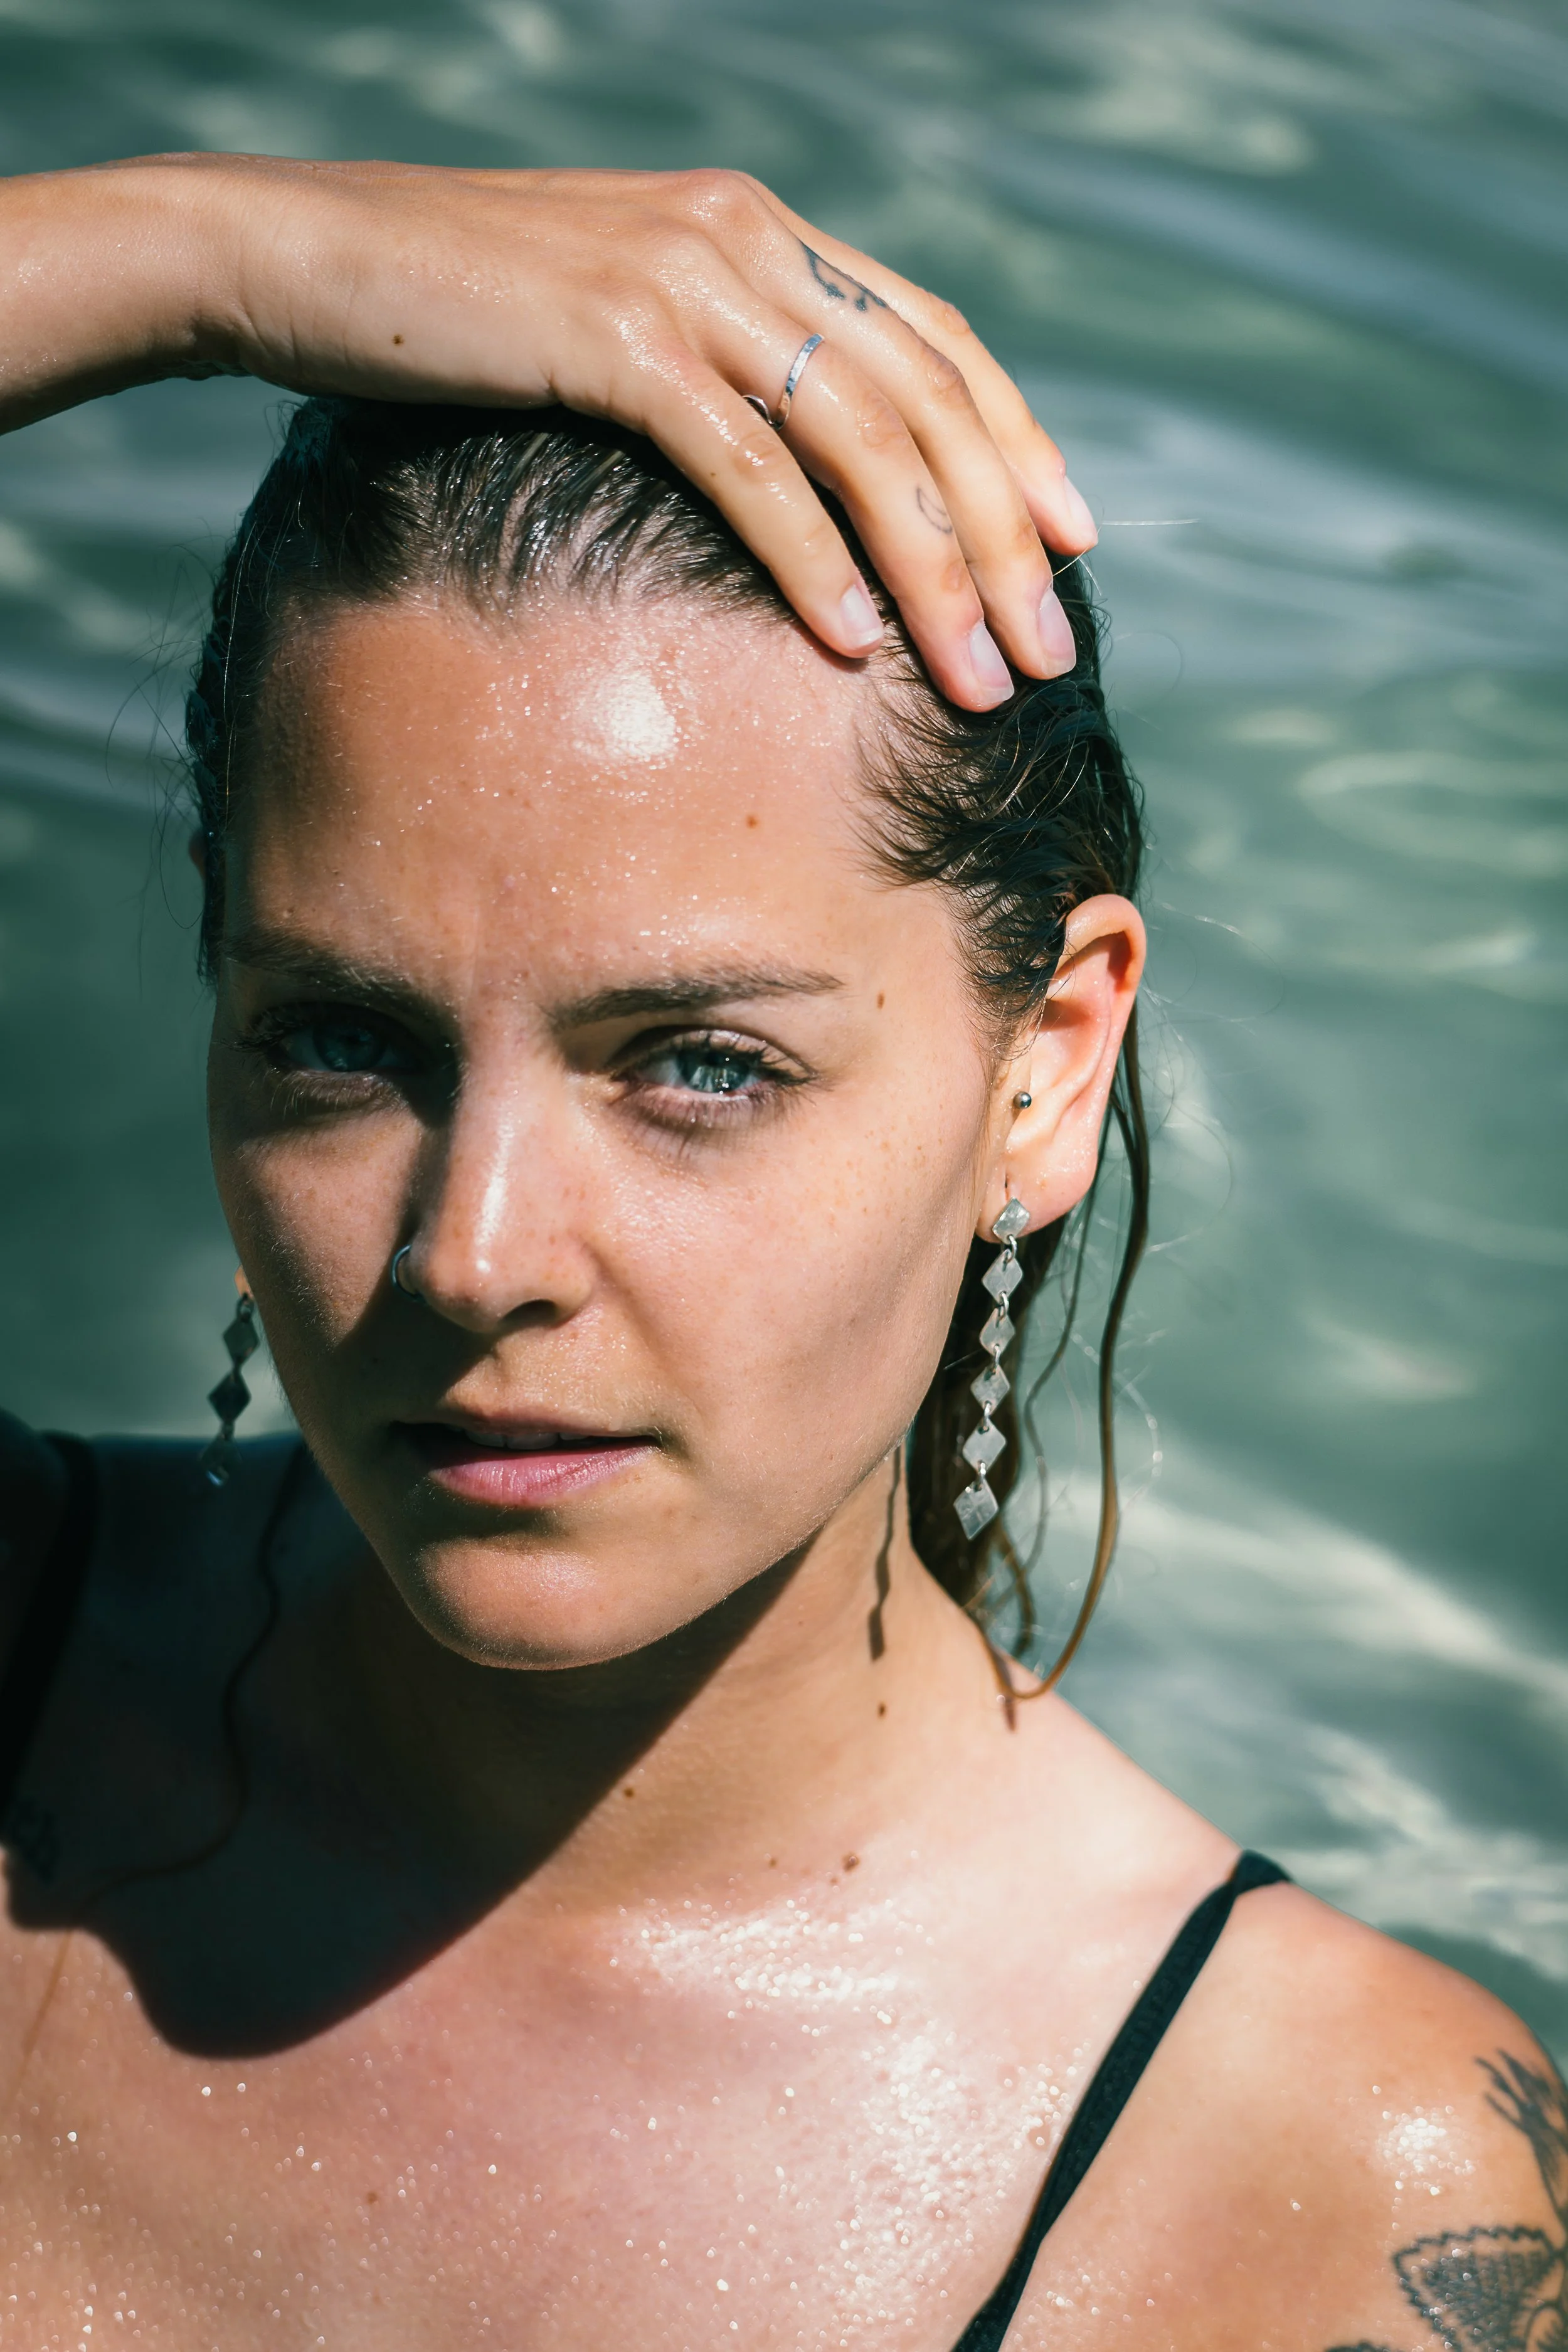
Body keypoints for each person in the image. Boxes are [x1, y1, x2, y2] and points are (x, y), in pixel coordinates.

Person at [0, 155, 1561, 2352]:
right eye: (343, 1044)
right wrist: (214, 256)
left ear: (1043, 1071)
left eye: (699, 1064)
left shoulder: (1290, 2184)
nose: (475, 1250)